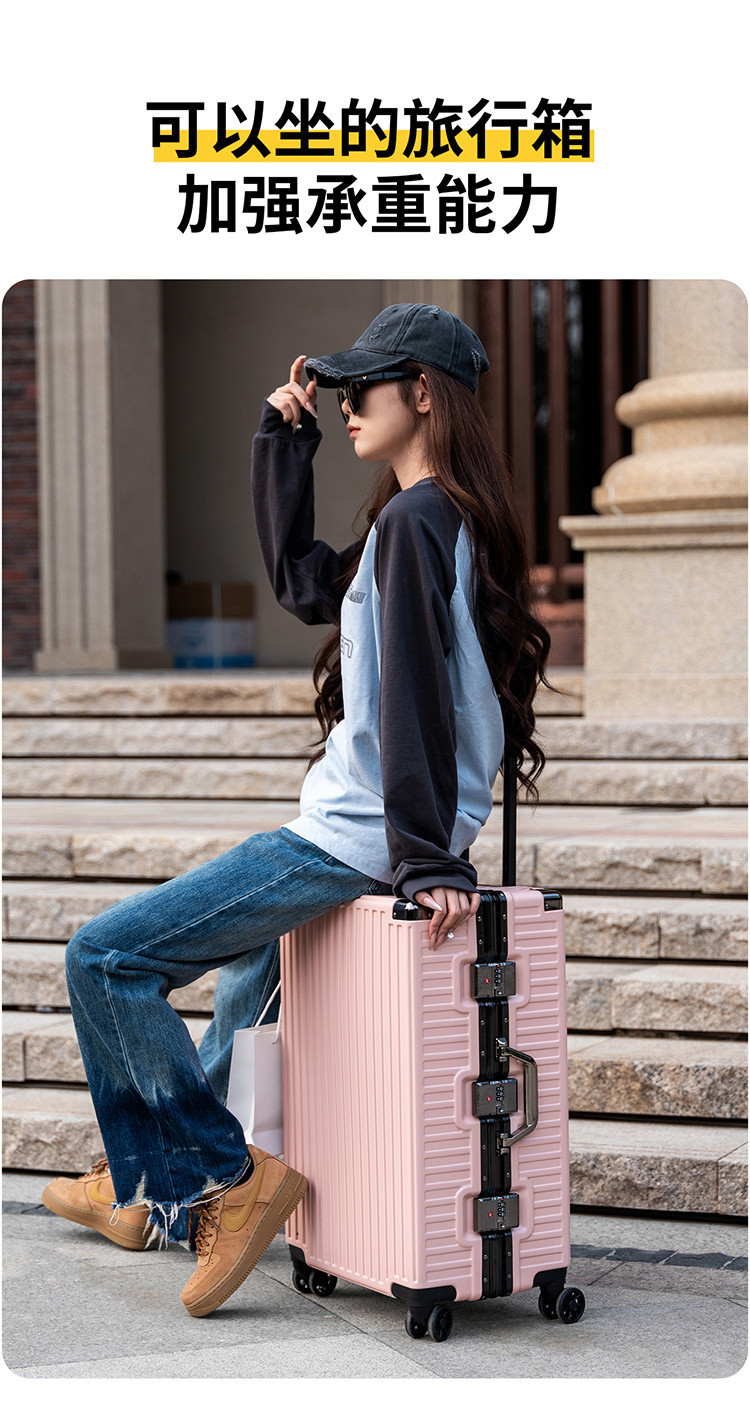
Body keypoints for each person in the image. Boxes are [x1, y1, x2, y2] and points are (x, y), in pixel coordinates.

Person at [42, 302, 555, 1318]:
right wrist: (286, 443)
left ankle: (217, 1179)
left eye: (365, 384)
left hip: (352, 835)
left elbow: (415, 694)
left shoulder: (418, 523)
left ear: (424, 392)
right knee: (245, 990)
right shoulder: (425, 519)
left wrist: (426, 858)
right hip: (373, 830)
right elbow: (303, 581)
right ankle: (150, 1187)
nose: (348, 401)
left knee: (105, 957)